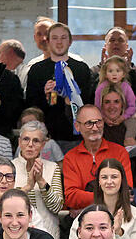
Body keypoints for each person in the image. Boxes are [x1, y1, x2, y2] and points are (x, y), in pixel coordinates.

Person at [24, 22, 94, 150]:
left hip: (75, 137)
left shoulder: (81, 68)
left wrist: (70, 95)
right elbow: (30, 105)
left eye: (63, 38)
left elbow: (88, 103)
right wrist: (44, 95)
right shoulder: (36, 69)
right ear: (48, 41)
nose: (59, 42)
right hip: (46, 137)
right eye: (55, 38)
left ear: (70, 41)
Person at [61, 105, 133, 210]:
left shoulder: (120, 152)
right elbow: (71, 197)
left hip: (118, 213)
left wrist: (89, 198)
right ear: (77, 126)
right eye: (89, 123)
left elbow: (127, 191)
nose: (95, 128)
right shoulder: (71, 157)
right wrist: (109, 196)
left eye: (98, 122)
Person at [66, 159, 136, 239]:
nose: (109, 181)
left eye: (114, 177)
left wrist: (119, 233)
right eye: (104, 177)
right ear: (99, 181)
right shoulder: (85, 216)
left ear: (122, 180)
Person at [11, 120, 64, 239]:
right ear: (19, 142)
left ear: (43, 144)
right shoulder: (9, 167)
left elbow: (56, 207)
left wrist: (41, 182)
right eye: (26, 139)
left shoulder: (53, 167)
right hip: (15, 237)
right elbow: (5, 203)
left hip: (47, 238)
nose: (30, 144)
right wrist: (27, 187)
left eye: (36, 141)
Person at [90, 26, 136, 106]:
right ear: (105, 46)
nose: (116, 43)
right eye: (112, 40)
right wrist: (103, 71)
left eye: (120, 40)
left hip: (131, 116)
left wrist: (129, 70)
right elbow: (89, 98)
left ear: (126, 46)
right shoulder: (94, 71)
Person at [93, 55, 136, 153]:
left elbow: (132, 106)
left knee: (134, 120)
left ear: (124, 74)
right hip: (104, 116)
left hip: (124, 115)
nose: (114, 74)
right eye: (110, 71)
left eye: (118, 71)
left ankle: (129, 142)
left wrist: (122, 117)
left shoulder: (126, 86)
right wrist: (105, 118)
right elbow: (97, 107)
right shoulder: (101, 87)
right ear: (105, 73)